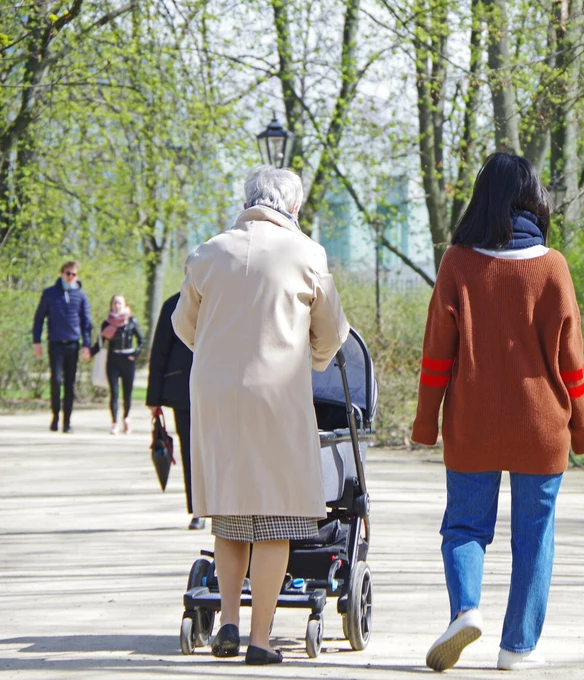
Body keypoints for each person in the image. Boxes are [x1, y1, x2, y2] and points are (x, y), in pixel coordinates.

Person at [411, 152, 584, 673]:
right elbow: (572, 363)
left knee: (465, 526)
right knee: (535, 536)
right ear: (531, 198)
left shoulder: (457, 263)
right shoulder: (553, 266)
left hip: (472, 424)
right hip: (542, 426)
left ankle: (466, 610)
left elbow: (435, 358)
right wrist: (582, 430)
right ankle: (517, 648)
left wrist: (426, 424)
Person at [172, 165, 348, 666]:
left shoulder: (208, 252)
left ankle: (227, 619)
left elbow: (183, 326)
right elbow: (332, 332)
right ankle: (260, 638)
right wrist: (309, 357)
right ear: (291, 207)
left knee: (229, 514)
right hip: (276, 394)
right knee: (275, 518)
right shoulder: (306, 254)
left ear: (248, 200)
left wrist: (218, 353)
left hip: (216, 395)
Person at [146, 288, 202, 530]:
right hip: (183, 392)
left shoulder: (222, 298)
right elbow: (159, 352)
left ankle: (225, 510)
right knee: (190, 450)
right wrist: (154, 398)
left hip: (221, 389)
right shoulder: (173, 304)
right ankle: (198, 509)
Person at [32, 260, 93, 433]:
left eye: (73, 274)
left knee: (70, 383)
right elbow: (39, 319)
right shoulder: (50, 293)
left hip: (73, 344)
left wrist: (86, 346)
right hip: (55, 343)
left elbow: (86, 322)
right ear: (61, 273)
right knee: (56, 380)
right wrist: (37, 342)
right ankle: (55, 416)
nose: (70, 277)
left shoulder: (81, 295)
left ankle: (67, 422)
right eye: (67, 273)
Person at [95, 294, 144, 435]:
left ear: (125, 305)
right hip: (113, 359)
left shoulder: (132, 321)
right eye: (114, 303)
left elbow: (141, 340)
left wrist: (135, 354)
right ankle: (114, 423)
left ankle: (126, 418)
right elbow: (100, 343)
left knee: (127, 393)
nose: (117, 306)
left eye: (119, 303)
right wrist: (89, 352)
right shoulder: (107, 323)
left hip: (128, 360)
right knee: (114, 392)